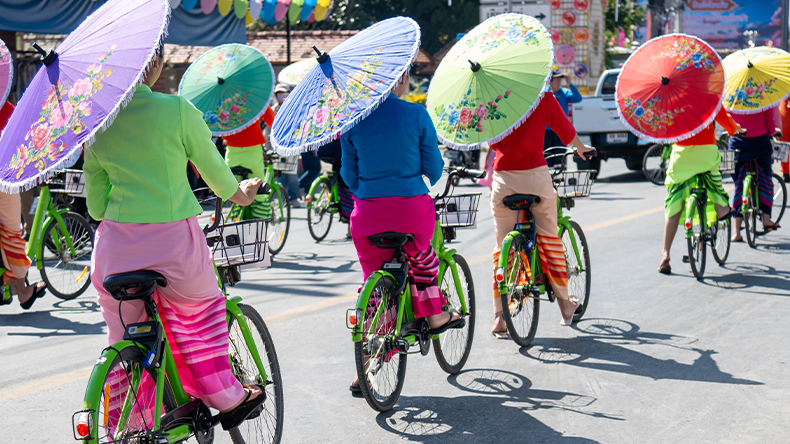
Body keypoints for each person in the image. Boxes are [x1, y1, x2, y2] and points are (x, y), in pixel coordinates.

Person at [84, 42, 265, 430]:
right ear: (154, 62)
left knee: (126, 337)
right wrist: (241, 194)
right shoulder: (177, 110)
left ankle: (127, 425)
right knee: (201, 313)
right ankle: (226, 396)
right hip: (173, 246)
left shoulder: (97, 123)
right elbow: (215, 172)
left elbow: (96, 208)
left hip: (114, 251)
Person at [342, 72, 457, 393]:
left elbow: (348, 175)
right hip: (411, 210)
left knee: (375, 285)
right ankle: (435, 315)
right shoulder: (416, 114)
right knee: (422, 260)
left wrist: (371, 189)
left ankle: (363, 367)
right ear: (401, 77)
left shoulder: (352, 121)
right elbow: (434, 169)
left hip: (367, 215)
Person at [489, 92, 596, 337]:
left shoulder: (496, 99)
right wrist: (580, 148)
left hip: (503, 180)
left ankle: (500, 317)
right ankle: (565, 305)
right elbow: (565, 129)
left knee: (502, 246)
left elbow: (493, 144)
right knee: (549, 236)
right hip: (535, 177)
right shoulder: (541, 97)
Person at [658, 108, 741, 274]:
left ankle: (665, 255)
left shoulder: (673, 100)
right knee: (713, 177)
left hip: (681, 155)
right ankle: (720, 207)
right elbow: (724, 119)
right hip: (705, 152)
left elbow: (664, 128)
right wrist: (735, 128)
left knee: (675, 201)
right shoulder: (708, 97)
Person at [0, 100, 48, 309]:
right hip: (4, 180)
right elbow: (27, 137)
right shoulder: (8, 110)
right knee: (12, 233)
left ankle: (10, 287)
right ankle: (22, 290)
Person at [729, 107, 780, 241]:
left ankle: (736, 232)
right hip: (759, 143)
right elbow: (769, 123)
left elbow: (727, 121)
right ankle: (766, 218)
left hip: (738, 143)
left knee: (738, 184)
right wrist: (772, 132)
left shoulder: (732, 97)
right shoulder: (763, 98)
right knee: (766, 176)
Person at [223, 105, 276, 219]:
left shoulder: (225, 103)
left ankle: (235, 220)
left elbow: (221, 131)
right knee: (259, 191)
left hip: (232, 154)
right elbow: (274, 122)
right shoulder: (257, 101)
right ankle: (260, 221)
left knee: (235, 194)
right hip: (253, 153)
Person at [267, 84, 301, 206]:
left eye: (284, 93)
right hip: (276, 146)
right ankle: (282, 198)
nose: (281, 96)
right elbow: (268, 130)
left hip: (291, 146)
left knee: (292, 175)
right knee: (278, 175)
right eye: (279, 93)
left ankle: (293, 197)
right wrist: (267, 147)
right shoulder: (272, 110)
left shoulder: (294, 109)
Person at [317, 135, 354, 237]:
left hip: (322, 149)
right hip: (338, 147)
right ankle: (350, 228)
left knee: (338, 169)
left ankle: (333, 191)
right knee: (347, 181)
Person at [544, 70, 582, 166]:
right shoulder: (545, 93)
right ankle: (548, 174)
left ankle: (560, 173)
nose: (558, 82)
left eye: (560, 79)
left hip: (560, 130)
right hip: (546, 130)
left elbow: (578, 98)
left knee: (560, 156)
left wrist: (570, 83)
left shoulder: (565, 93)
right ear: (550, 81)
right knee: (547, 156)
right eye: (556, 79)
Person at [775, 99, 790, 183]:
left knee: (784, 143)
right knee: (784, 143)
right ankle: (785, 172)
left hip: (785, 109)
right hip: (785, 111)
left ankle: (785, 172)